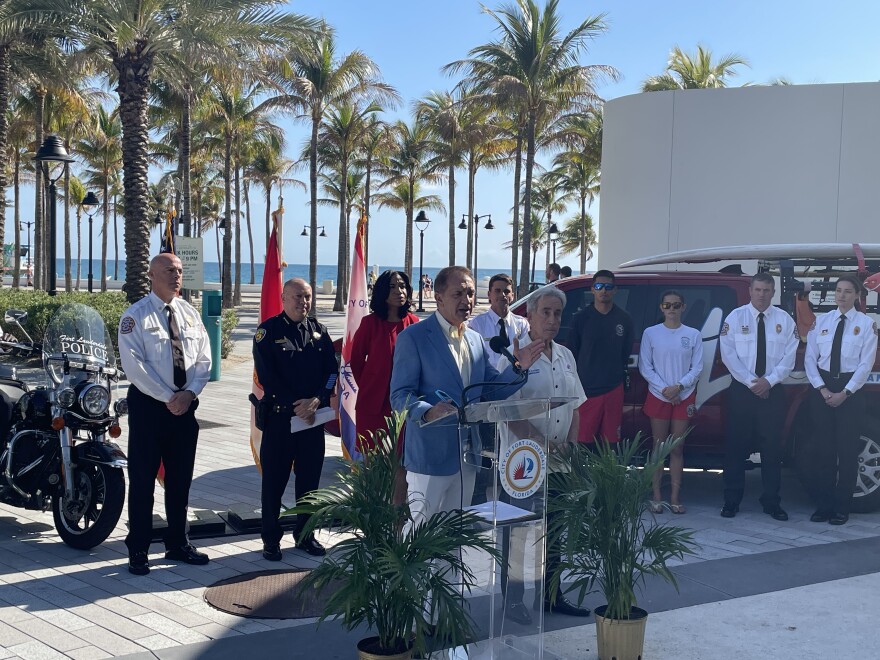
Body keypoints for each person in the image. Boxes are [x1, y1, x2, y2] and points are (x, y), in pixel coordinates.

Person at [390, 266, 544, 530]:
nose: (467, 300)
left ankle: (450, 575)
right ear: (438, 298)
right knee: (421, 532)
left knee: (454, 534)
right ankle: (414, 574)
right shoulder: (413, 337)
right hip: (430, 455)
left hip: (467, 456)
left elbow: (491, 388)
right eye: (458, 293)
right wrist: (427, 411)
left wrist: (518, 367)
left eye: (471, 293)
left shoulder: (475, 339)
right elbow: (399, 395)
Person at [498, 286, 589, 622]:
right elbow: (507, 411)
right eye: (546, 313)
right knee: (521, 531)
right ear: (529, 316)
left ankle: (552, 595)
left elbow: (575, 405)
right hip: (524, 462)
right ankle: (513, 600)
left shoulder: (565, 355)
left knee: (555, 530)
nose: (552, 320)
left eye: (558, 314)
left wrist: (572, 448)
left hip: (560, 461)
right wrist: (542, 442)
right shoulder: (513, 355)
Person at [118, 253, 212, 576]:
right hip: (149, 409)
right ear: (152, 275)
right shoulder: (135, 317)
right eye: (170, 270)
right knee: (142, 480)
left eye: (180, 271)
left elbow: (204, 359)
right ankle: (139, 549)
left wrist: (189, 394)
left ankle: (178, 542)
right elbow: (135, 367)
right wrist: (168, 396)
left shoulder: (190, 314)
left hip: (184, 408)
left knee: (180, 480)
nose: (177, 275)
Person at [253, 278, 338, 560]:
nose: (304, 302)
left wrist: (316, 400)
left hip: (311, 420)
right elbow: (267, 377)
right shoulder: (268, 331)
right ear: (284, 298)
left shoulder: (318, 331)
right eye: (298, 297)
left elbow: (331, 372)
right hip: (280, 420)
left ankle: (305, 535)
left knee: (309, 483)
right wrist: (295, 404)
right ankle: (270, 539)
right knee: (273, 483)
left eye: (308, 297)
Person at [719, 273, 798, 520]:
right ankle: (731, 501)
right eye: (758, 290)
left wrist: (768, 382)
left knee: (771, 449)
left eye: (766, 290)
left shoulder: (785, 320)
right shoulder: (735, 318)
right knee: (736, 447)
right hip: (742, 391)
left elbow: (790, 357)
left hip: (772, 392)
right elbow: (728, 355)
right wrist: (754, 383)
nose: (762, 294)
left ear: (773, 292)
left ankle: (771, 501)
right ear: (750, 291)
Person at [803, 275, 878, 525]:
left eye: (847, 291)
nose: (842, 295)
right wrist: (823, 390)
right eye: (838, 291)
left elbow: (865, 364)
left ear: (857, 295)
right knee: (823, 451)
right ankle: (823, 506)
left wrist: (844, 393)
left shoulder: (867, 325)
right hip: (823, 388)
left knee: (847, 453)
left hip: (850, 392)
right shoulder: (821, 322)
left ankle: (841, 508)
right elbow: (810, 359)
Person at [349, 270, 419, 501]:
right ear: (381, 291)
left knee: (400, 465)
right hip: (373, 408)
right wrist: (371, 386)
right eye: (392, 286)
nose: (399, 291)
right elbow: (356, 361)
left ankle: (397, 517)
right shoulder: (369, 323)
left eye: (402, 286)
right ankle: (374, 516)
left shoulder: (414, 323)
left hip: (403, 407)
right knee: (373, 466)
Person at [638, 290, 703, 514]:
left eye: (676, 305)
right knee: (658, 448)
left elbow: (697, 367)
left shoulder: (693, 334)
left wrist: (680, 387)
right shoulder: (651, 333)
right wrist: (665, 389)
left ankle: (675, 497)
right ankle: (656, 496)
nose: (672, 310)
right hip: (659, 395)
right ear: (661, 308)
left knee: (676, 449)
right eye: (667, 305)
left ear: (683, 307)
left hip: (684, 396)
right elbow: (645, 366)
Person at [567, 269, 633, 443]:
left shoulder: (624, 319)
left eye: (608, 286)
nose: (604, 290)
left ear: (615, 290)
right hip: (586, 390)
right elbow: (572, 352)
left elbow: (625, 352)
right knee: (583, 442)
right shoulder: (581, 319)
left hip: (613, 388)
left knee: (610, 444)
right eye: (599, 286)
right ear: (593, 289)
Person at [468, 273, 530, 370]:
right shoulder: (477, 325)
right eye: (497, 291)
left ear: (512, 296)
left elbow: (527, 354)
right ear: (489, 294)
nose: (502, 295)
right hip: (489, 382)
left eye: (506, 291)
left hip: (517, 380)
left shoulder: (522, 324)